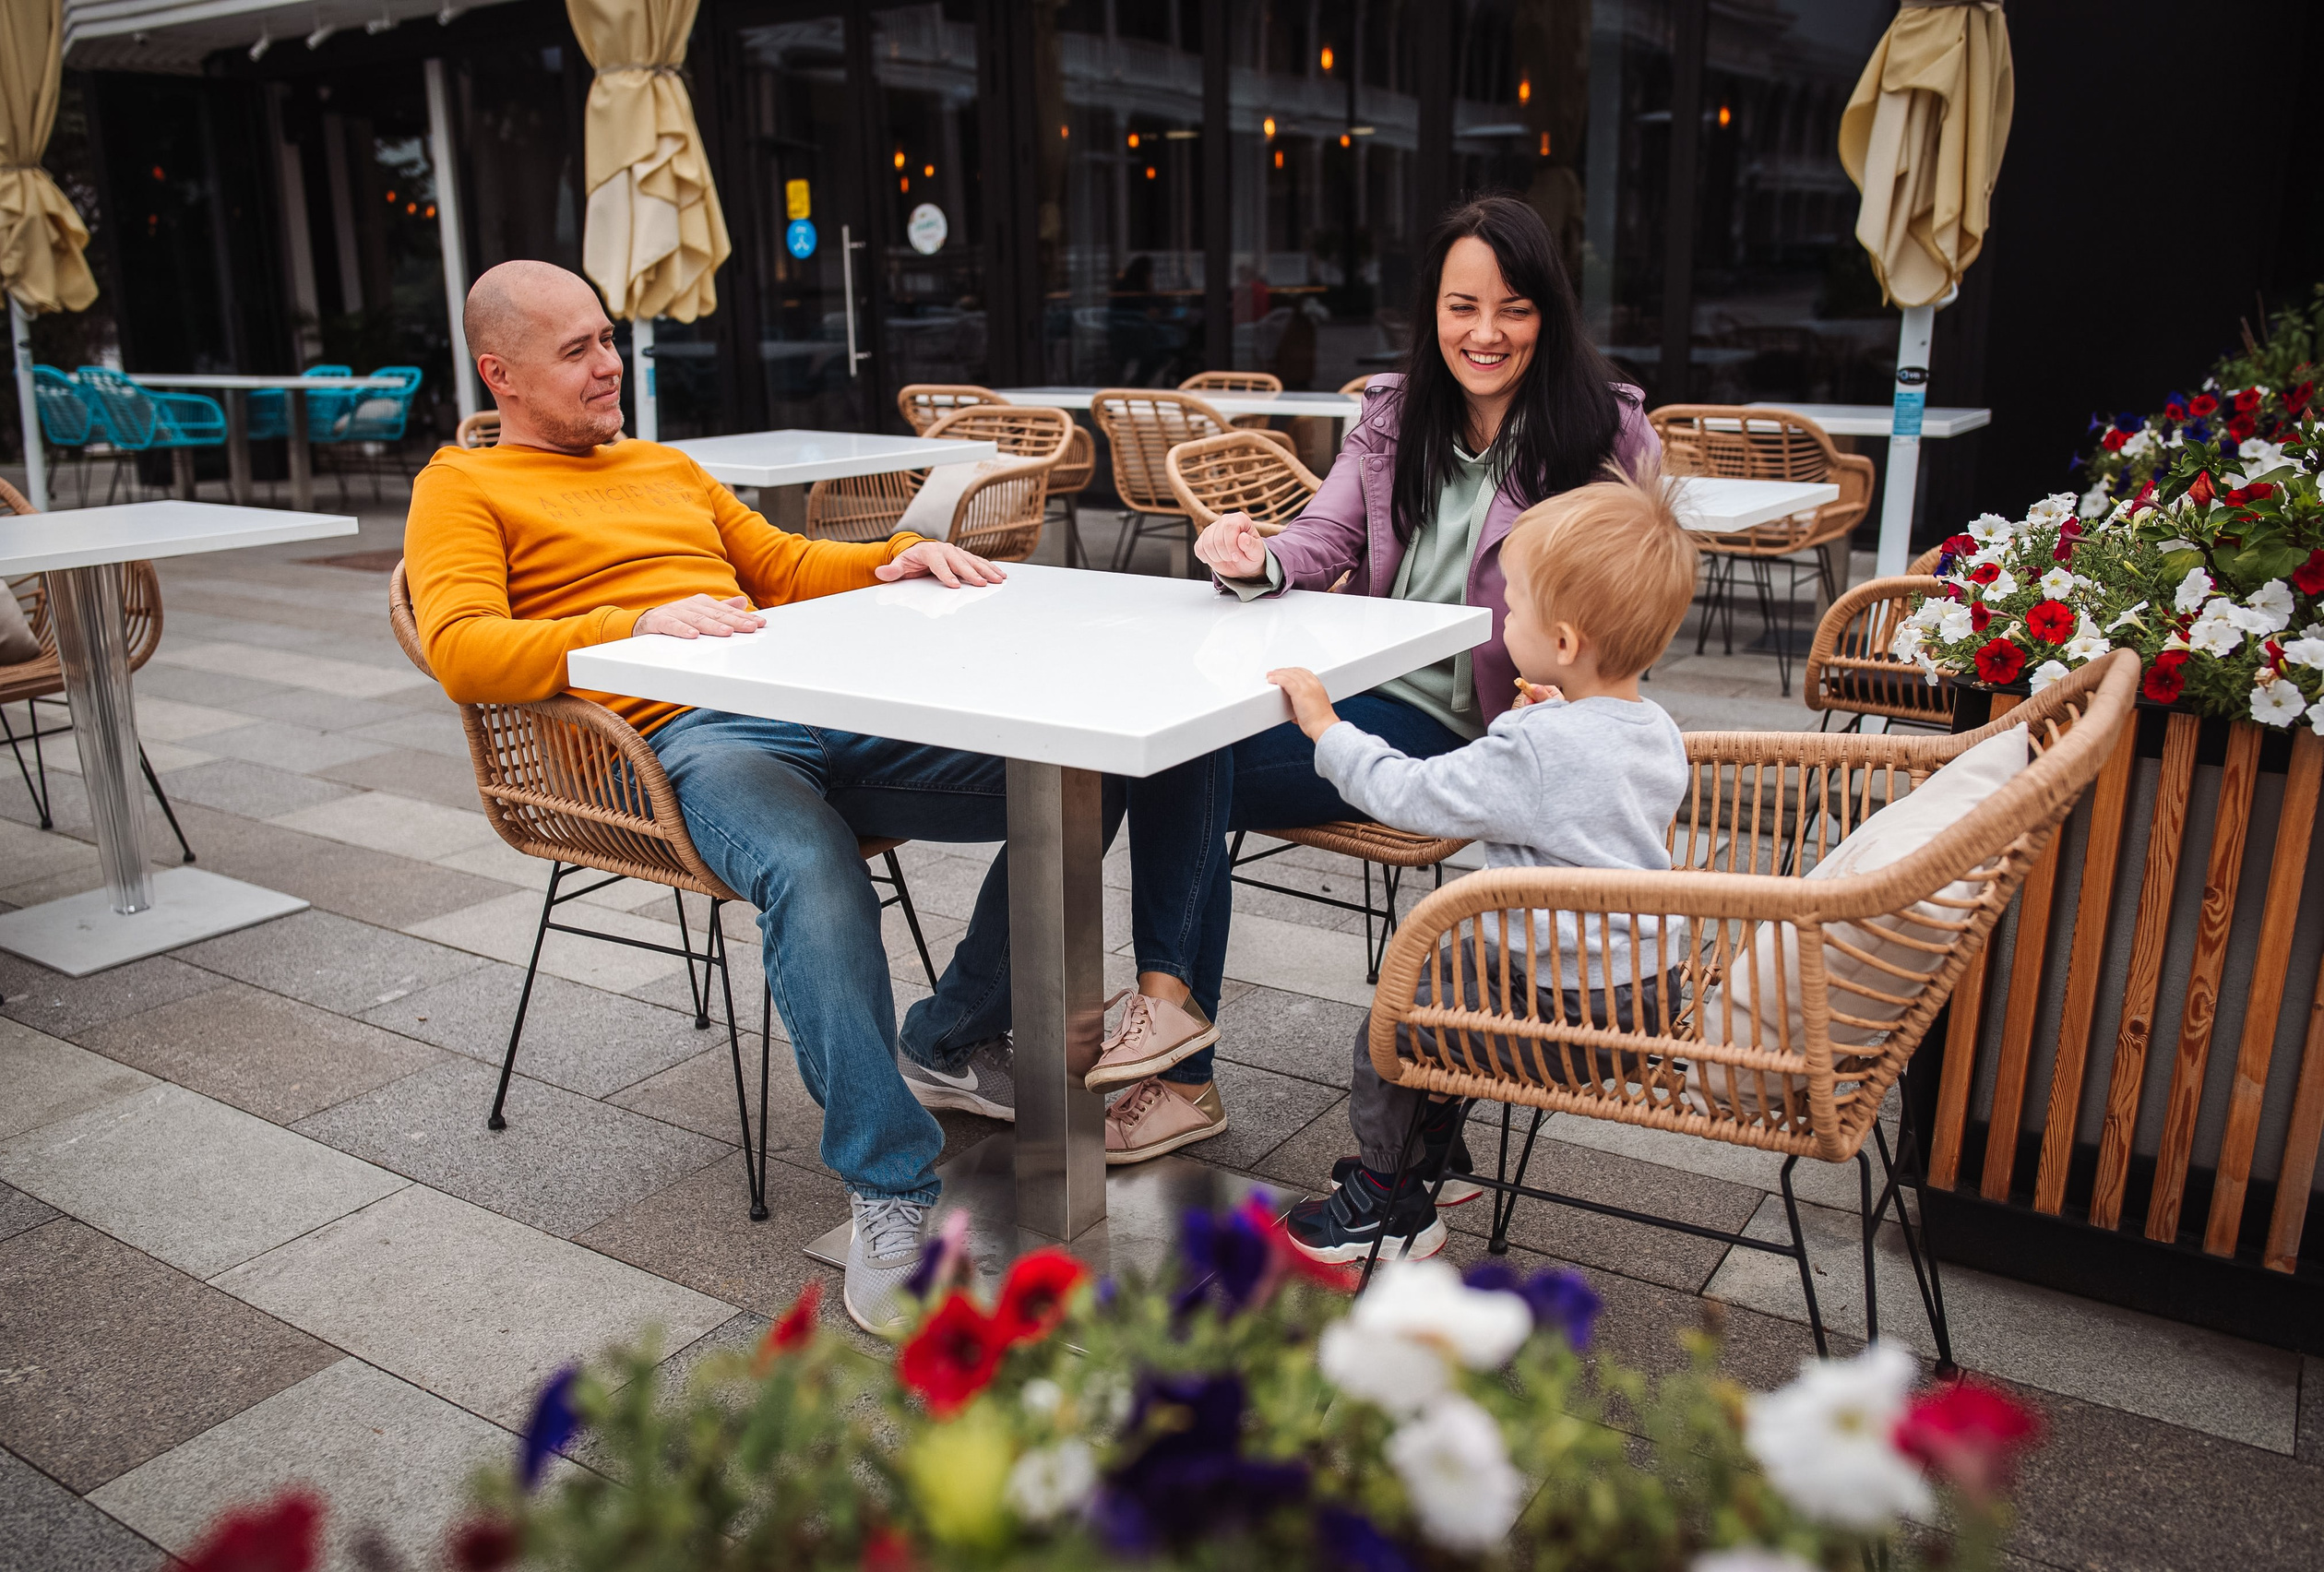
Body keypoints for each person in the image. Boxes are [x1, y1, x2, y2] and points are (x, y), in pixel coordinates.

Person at [402, 261, 1227, 1330]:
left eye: (607, 339)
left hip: (809, 706)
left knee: (1089, 760)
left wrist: (901, 556)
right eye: (578, 352)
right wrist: (628, 630)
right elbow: (461, 650)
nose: (609, 366)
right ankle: (889, 1192)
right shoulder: (460, 487)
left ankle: (948, 1035)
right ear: (498, 373)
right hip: (669, 745)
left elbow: (782, 566)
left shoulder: (664, 467)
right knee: (812, 869)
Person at [1099, 193, 1662, 1167]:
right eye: (1461, 306)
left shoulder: (1604, 432)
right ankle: (1174, 1043)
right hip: (1375, 697)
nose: (1484, 333)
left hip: (1496, 734)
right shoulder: (1392, 414)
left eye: (1513, 308)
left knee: (1185, 760)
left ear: (1549, 312)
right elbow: (1327, 539)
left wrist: (1571, 699)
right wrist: (1252, 555)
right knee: (1178, 747)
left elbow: (1636, 603)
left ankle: (1175, 1064)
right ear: (1431, 309)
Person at [1269, 466, 1698, 1262]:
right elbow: (1587, 784)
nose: (1503, 615)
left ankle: (1386, 1197)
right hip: (1644, 987)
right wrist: (1558, 718)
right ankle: (1436, 1153)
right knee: (1451, 961)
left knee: (1393, 1024)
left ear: (1563, 642)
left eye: (1517, 603)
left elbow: (1410, 794)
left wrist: (1326, 727)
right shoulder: (1654, 726)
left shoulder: (1535, 743)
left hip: (1563, 1013)